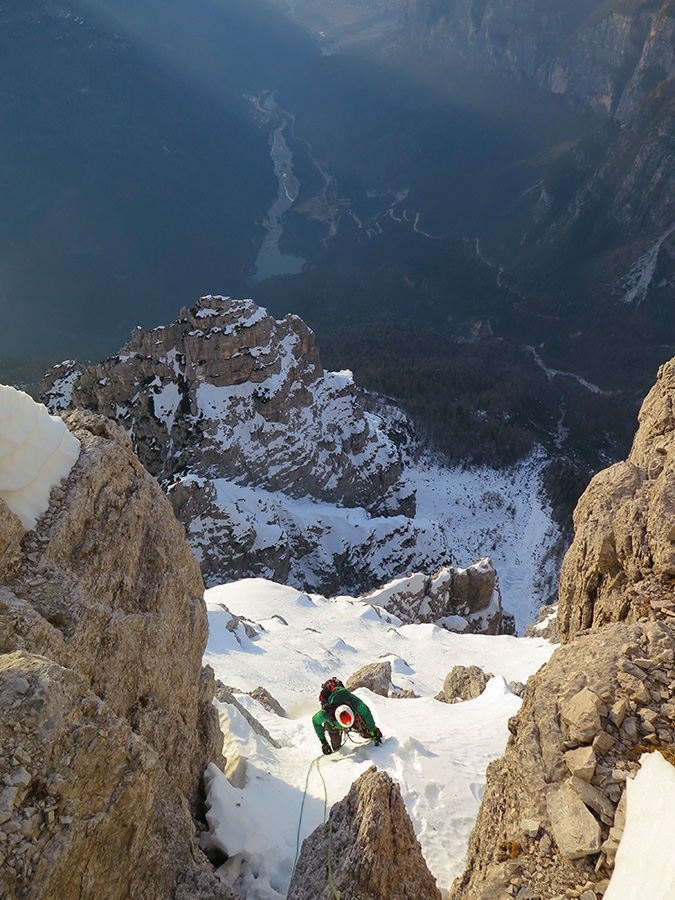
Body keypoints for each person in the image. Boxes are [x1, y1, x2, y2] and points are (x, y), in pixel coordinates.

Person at [312, 677, 383, 755]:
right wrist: (324, 742)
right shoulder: (326, 713)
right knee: (336, 747)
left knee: (371, 734)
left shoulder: (354, 702)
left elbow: (366, 713)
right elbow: (315, 721)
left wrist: (373, 731)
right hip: (334, 725)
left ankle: (368, 731)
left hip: (354, 719)